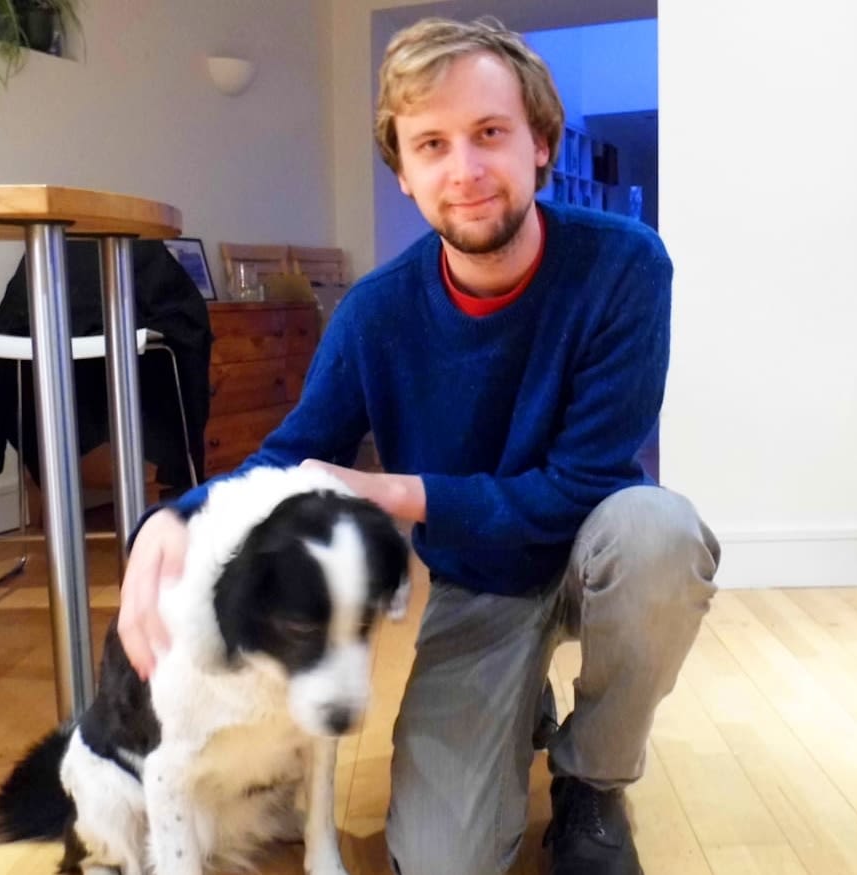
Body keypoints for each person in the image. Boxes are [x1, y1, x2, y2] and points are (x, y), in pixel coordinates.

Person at [118, 16, 720, 875]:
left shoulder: (625, 268)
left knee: (660, 533)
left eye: (489, 134)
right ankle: (520, 705)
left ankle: (591, 779)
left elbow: (584, 481)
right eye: (431, 144)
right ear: (402, 172)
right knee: (441, 860)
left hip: (597, 551)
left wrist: (402, 494)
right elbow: (294, 454)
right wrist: (171, 517)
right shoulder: (376, 314)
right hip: (480, 583)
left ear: (540, 144)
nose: (465, 170)